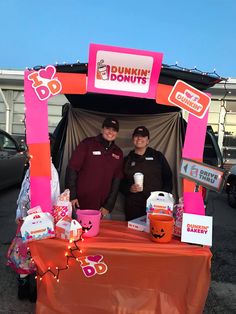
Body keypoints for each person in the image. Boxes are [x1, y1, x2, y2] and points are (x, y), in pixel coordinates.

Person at [7, 135, 60, 302]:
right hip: (25, 219)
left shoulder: (50, 170)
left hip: (41, 221)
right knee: (23, 253)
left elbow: (54, 197)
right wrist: (19, 213)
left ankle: (37, 286)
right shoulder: (31, 168)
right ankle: (23, 283)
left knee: (38, 255)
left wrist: (50, 219)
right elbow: (23, 192)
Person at [65, 117, 123, 218]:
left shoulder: (118, 152)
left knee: (103, 233)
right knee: (79, 233)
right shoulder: (87, 144)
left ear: (117, 134)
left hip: (102, 209)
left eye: (114, 130)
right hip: (80, 204)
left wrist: (109, 205)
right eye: (108, 128)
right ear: (102, 129)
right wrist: (72, 196)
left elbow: (116, 180)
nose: (110, 132)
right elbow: (72, 169)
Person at [122, 126, 173, 221]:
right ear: (133, 139)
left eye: (143, 136)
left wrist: (164, 197)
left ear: (148, 140)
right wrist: (129, 188)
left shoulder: (157, 156)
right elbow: (120, 183)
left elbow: (168, 177)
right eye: (137, 136)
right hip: (134, 206)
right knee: (134, 234)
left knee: (154, 231)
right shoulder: (127, 159)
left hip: (156, 204)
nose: (139, 138)